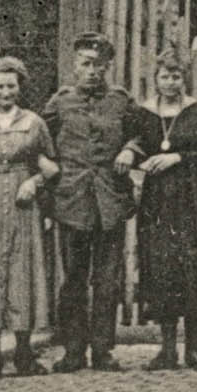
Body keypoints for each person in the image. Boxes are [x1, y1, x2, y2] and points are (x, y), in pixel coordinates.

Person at [43, 32, 146, 372]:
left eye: (99, 65)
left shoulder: (121, 101)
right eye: (86, 64)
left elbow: (142, 132)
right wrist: (46, 168)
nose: (92, 71)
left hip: (110, 200)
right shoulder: (60, 102)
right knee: (73, 278)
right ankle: (73, 350)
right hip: (71, 200)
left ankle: (103, 349)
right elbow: (40, 142)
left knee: (107, 280)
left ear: (108, 67)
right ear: (75, 65)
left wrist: (131, 148)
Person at [0, 55, 60, 378]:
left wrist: (34, 182)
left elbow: (51, 165)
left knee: (23, 272)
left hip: (23, 207)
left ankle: (23, 353)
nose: (6, 92)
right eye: (0, 86)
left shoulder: (34, 123)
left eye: (12, 86)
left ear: (20, 88)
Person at [133, 49, 197, 372]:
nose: (170, 82)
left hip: (190, 196)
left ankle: (194, 349)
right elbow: (137, 145)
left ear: (183, 79)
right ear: (155, 79)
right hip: (158, 199)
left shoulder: (196, 111)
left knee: (193, 266)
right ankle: (167, 350)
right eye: (164, 76)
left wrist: (177, 158)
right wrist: (139, 158)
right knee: (163, 267)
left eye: (176, 76)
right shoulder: (144, 112)